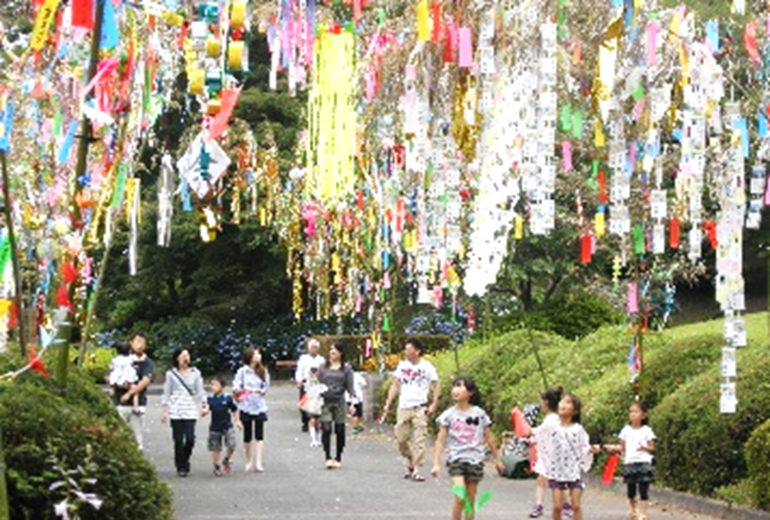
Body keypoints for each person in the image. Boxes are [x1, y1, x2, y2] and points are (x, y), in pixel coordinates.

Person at [431, 377, 504, 520]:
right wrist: (436, 463)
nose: (455, 390)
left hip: (475, 460)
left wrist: (498, 459)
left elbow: (489, 438)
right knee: (460, 496)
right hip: (456, 459)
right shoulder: (448, 415)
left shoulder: (479, 414)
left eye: (459, 386)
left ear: (470, 392)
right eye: (454, 386)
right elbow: (440, 440)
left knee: (470, 501)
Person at [382, 337, 440, 481]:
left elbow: (436, 384)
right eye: (406, 349)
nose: (406, 352)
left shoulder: (427, 367)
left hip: (420, 407)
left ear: (417, 351)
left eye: (409, 349)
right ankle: (410, 460)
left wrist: (434, 403)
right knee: (401, 438)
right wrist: (388, 403)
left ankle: (417, 469)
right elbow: (395, 385)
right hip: (404, 406)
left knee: (419, 438)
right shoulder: (402, 366)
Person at [542, 393, 599, 520]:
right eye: (562, 402)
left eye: (568, 403)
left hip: (574, 470)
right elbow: (540, 437)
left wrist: (591, 449)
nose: (563, 405)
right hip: (556, 470)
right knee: (557, 507)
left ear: (575, 410)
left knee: (576, 505)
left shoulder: (578, 429)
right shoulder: (552, 427)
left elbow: (583, 446)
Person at [605, 400, 656, 520]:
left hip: (644, 461)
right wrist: (611, 448)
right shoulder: (625, 430)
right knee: (631, 488)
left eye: (636, 412)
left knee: (644, 488)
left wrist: (644, 447)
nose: (633, 414)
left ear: (643, 415)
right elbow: (622, 447)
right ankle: (633, 510)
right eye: (631, 412)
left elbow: (652, 447)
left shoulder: (647, 430)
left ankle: (643, 512)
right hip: (630, 462)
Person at [161, 347, 205, 477]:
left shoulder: (195, 373)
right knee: (178, 440)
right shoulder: (171, 374)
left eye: (187, 355)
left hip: (190, 409)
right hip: (176, 410)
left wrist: (204, 405)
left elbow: (200, 391)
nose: (186, 358)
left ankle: (184, 459)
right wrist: (164, 411)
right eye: (182, 356)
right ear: (177, 358)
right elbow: (167, 393)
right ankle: (181, 466)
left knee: (190, 439)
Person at [317, 343, 355, 469]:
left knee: (340, 429)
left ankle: (338, 457)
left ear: (340, 353)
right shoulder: (323, 368)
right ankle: (327, 456)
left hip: (339, 401)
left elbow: (350, 388)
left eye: (335, 351)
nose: (332, 353)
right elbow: (316, 383)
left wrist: (352, 403)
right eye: (331, 351)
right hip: (325, 401)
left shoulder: (346, 369)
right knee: (326, 428)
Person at [114, 332, 155, 451]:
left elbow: (145, 381)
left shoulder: (147, 362)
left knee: (137, 437)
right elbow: (113, 377)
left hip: (138, 404)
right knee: (120, 434)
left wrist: (130, 393)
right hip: (120, 403)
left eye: (143, 342)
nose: (140, 345)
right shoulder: (122, 359)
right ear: (131, 343)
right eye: (137, 342)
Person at [233, 346, 270, 472]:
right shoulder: (242, 372)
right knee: (247, 434)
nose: (258, 356)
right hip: (246, 405)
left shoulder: (263, 371)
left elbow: (266, 387)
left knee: (259, 435)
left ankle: (259, 462)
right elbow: (236, 387)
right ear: (250, 357)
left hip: (259, 405)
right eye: (256, 354)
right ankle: (248, 460)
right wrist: (244, 391)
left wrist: (261, 391)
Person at [529, 386, 565, 518]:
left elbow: (539, 431)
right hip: (551, 454)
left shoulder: (551, 420)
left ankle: (540, 505)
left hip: (550, 455)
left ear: (546, 402)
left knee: (546, 481)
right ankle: (564, 504)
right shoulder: (559, 419)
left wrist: (530, 433)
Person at [201, 375, 242, 477]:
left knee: (232, 445)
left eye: (215, 385)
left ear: (222, 387)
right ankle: (216, 466)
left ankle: (226, 459)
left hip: (227, 426)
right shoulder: (210, 399)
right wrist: (204, 411)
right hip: (215, 427)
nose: (213, 387)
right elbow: (206, 407)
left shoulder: (227, 398)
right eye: (212, 385)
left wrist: (237, 421)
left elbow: (234, 409)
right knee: (215, 448)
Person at [295, 338, 326, 432]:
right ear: (308, 349)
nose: (313, 349)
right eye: (312, 347)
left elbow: (324, 371)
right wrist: (299, 381)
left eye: (315, 348)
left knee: (316, 403)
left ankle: (315, 421)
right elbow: (299, 370)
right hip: (306, 382)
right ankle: (305, 421)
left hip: (317, 382)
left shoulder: (321, 360)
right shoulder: (303, 358)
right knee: (304, 402)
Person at [108, 341, 138, 412]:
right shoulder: (131, 358)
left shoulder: (116, 359)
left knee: (112, 390)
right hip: (127, 380)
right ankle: (135, 406)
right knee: (135, 390)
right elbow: (136, 363)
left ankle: (111, 404)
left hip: (117, 380)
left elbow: (112, 367)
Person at [300, 367, 326, 447]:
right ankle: (313, 440)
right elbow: (306, 392)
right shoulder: (308, 382)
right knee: (312, 421)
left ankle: (319, 439)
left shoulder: (322, 382)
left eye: (314, 373)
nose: (313, 375)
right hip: (311, 403)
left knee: (320, 423)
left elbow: (324, 390)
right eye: (311, 373)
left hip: (320, 402)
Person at [347, 369, 367, 434]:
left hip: (349, 397)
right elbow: (364, 383)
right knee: (358, 413)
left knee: (354, 413)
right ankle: (357, 426)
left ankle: (356, 427)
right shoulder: (357, 376)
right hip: (358, 397)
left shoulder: (345, 376)